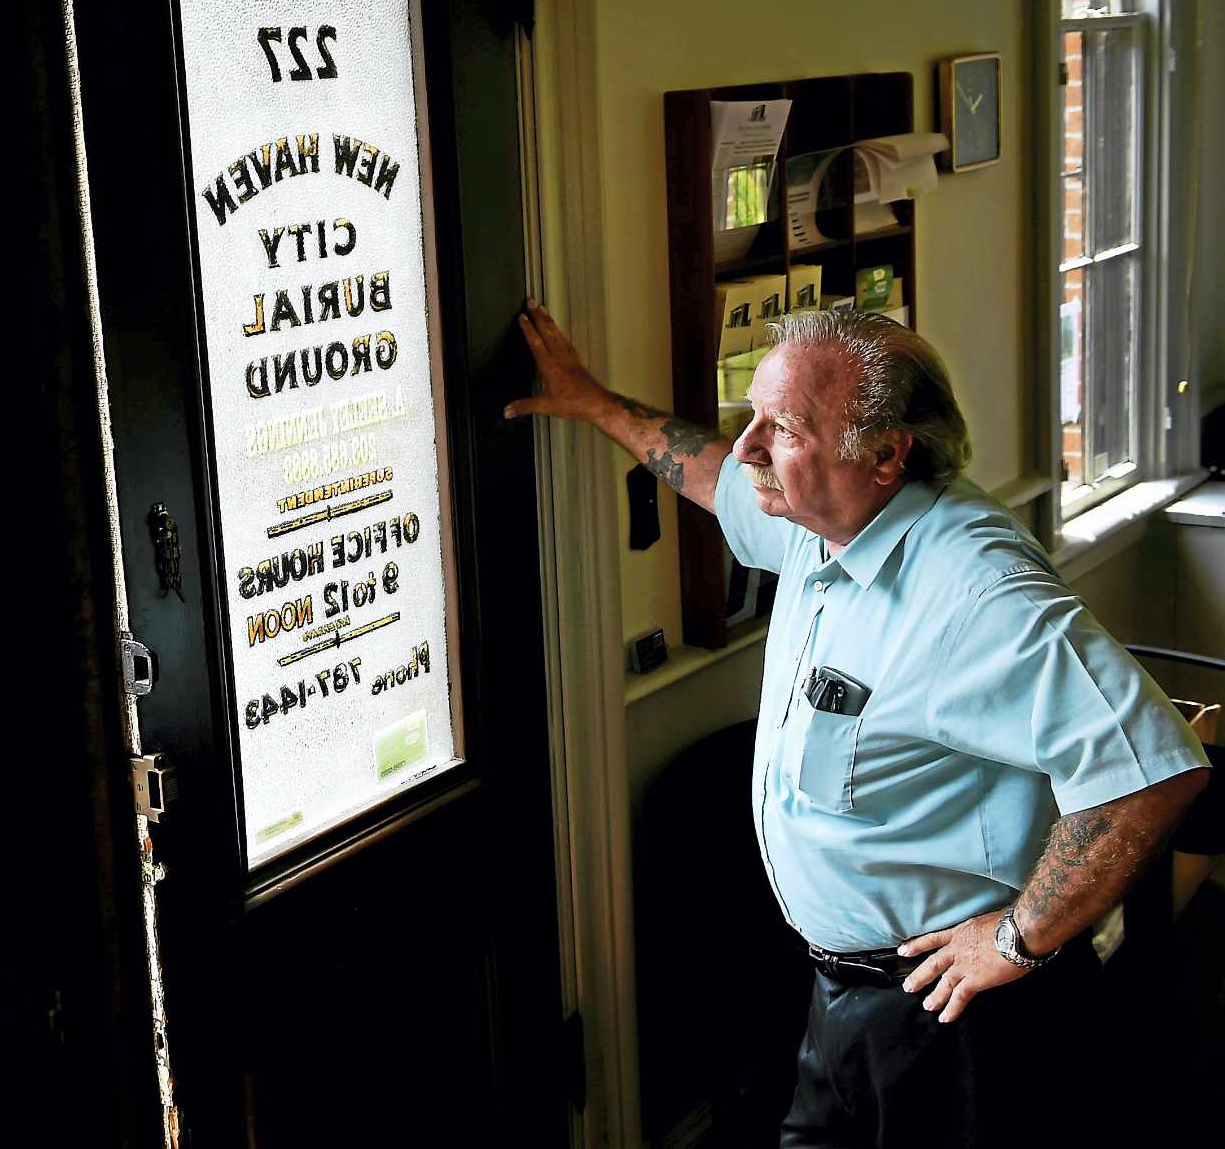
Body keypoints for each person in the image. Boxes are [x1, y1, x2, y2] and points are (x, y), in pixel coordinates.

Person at [505, 300, 1210, 1148]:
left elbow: (1153, 767)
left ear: (886, 453)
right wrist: (593, 402)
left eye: (785, 430)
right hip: (840, 995)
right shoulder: (817, 524)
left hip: (959, 1018)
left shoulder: (977, 591)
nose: (748, 448)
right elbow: (705, 470)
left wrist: (1017, 940)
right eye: (751, 416)